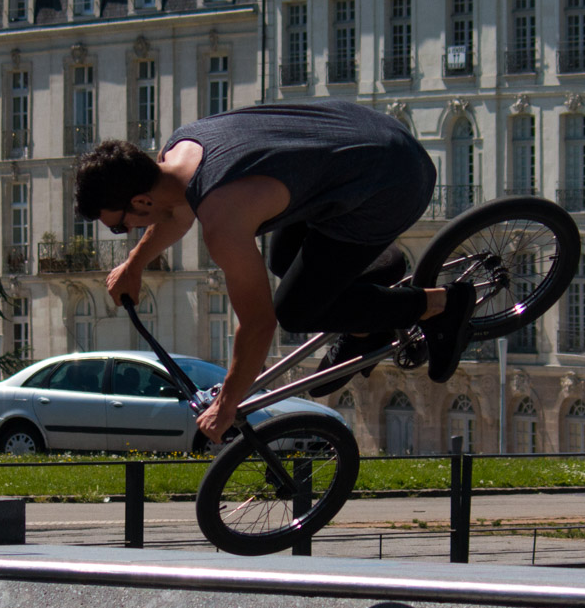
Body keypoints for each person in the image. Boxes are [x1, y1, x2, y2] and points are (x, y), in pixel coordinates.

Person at [75, 100, 476, 443]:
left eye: (120, 226)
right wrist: (135, 264)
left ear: (141, 200)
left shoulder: (223, 216)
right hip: (370, 137)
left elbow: (258, 324)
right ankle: (365, 318)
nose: (127, 232)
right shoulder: (182, 149)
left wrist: (226, 404)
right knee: (283, 262)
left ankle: (443, 305)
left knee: (296, 312)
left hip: (394, 184)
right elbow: (176, 215)